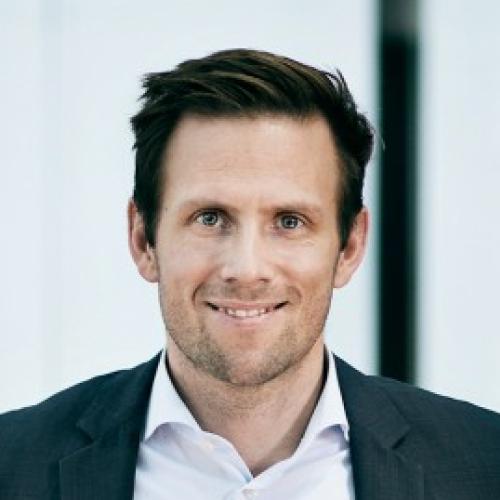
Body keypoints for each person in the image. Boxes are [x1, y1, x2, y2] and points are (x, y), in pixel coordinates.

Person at [1, 49, 499, 500]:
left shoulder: (485, 465)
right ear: (143, 239)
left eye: (289, 221)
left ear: (350, 246)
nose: (246, 269)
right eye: (210, 218)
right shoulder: (11, 465)